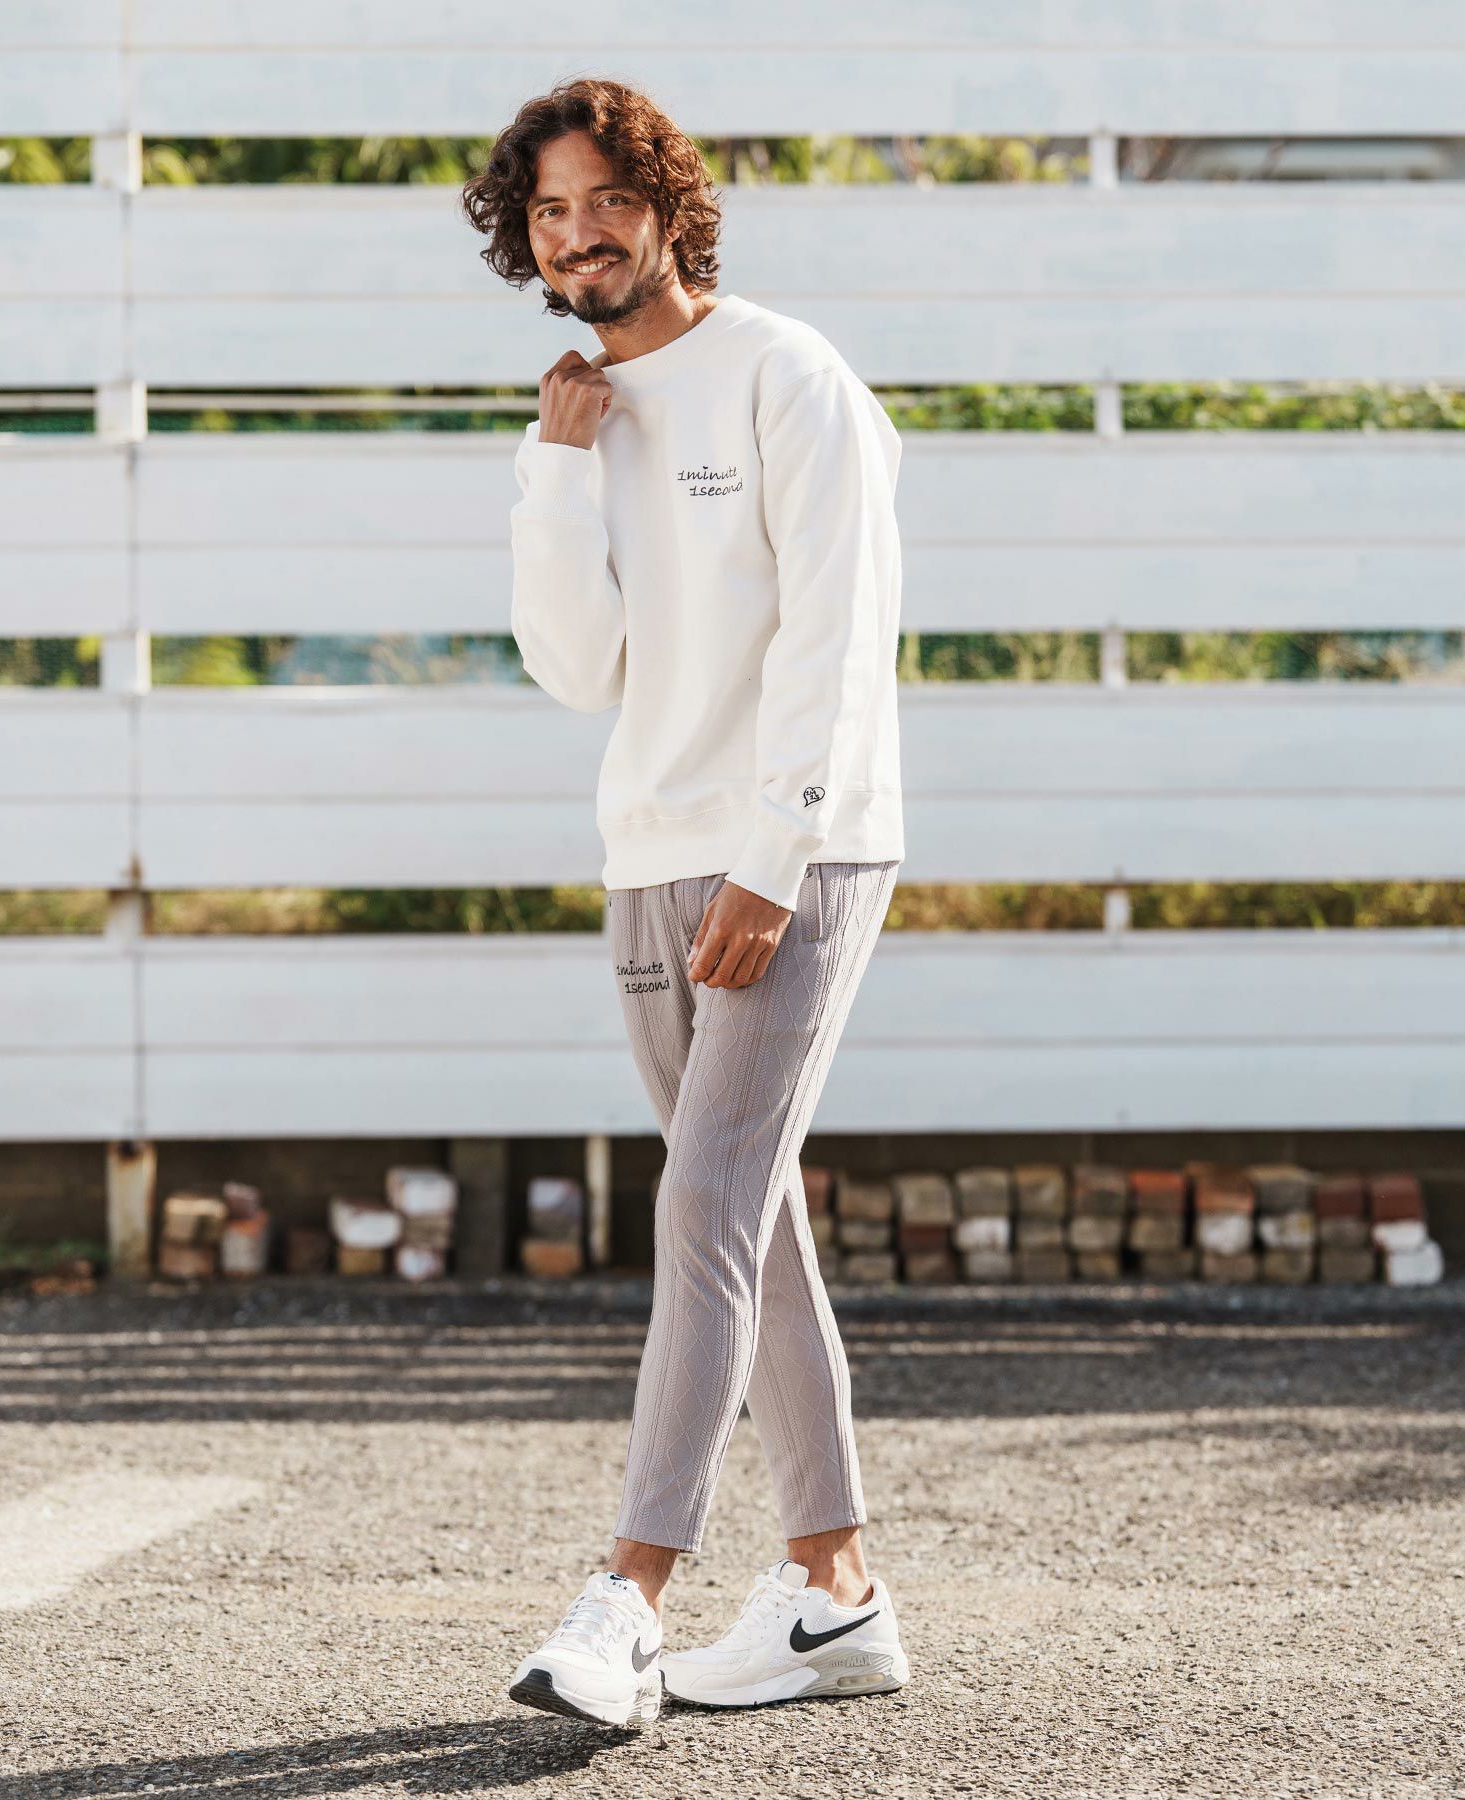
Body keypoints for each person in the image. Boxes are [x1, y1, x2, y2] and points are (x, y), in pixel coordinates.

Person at [462, 75, 910, 1726]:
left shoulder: (788, 373)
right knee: (750, 1214)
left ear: (665, 206)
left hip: (790, 852)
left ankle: (628, 1598)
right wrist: (555, 468)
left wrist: (774, 863)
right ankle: (833, 1594)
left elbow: (837, 640)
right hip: (645, 850)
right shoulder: (582, 417)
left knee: (704, 1204)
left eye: (604, 199)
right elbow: (576, 669)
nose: (577, 233)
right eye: (548, 211)